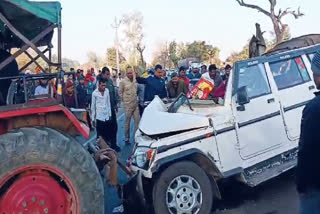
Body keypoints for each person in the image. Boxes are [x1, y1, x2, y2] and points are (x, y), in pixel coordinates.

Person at [297, 51, 320, 214]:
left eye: (314, 73)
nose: (314, 77)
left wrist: (302, 182)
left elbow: (307, 150)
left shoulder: (314, 108)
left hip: (315, 184)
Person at [91, 79, 119, 151]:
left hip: (107, 116)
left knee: (107, 135)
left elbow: (108, 103)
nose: (103, 87)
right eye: (102, 85)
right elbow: (93, 107)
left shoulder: (107, 91)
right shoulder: (94, 93)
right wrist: (92, 119)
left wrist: (110, 115)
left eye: (104, 85)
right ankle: (99, 151)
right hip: (99, 117)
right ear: (99, 85)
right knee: (100, 136)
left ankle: (108, 150)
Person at [100, 67, 120, 152]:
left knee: (114, 127)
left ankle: (114, 145)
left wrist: (115, 105)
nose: (108, 76)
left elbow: (114, 94)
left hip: (111, 109)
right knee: (105, 130)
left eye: (109, 74)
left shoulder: (111, 82)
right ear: (103, 74)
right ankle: (106, 147)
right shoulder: (99, 83)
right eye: (107, 74)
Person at [119, 67, 140, 143]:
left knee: (137, 121)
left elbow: (137, 90)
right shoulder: (123, 82)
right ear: (126, 73)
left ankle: (136, 137)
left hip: (135, 104)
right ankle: (127, 138)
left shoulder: (135, 80)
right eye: (128, 73)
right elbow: (120, 93)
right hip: (128, 106)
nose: (130, 74)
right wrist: (124, 103)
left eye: (131, 72)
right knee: (127, 122)